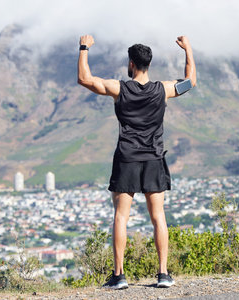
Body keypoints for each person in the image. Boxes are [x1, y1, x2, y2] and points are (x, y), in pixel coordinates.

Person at [77, 34, 196, 289]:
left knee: (121, 217)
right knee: (158, 217)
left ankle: (119, 276)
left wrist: (84, 47)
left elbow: (84, 79)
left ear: (131, 64)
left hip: (127, 159)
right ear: (148, 64)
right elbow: (190, 82)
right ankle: (163, 274)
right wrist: (188, 49)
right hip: (154, 158)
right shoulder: (162, 89)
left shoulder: (119, 89)